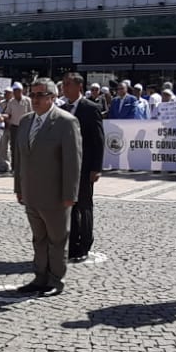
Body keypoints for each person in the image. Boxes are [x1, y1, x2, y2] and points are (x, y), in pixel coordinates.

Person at [12, 78, 81, 296]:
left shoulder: (65, 122)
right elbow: (19, 158)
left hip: (55, 195)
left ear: (52, 97)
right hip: (31, 193)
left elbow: (73, 161)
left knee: (57, 239)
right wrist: (18, 187)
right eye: (32, 95)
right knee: (38, 238)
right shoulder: (25, 121)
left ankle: (55, 280)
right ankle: (39, 276)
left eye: (40, 95)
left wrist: (70, 194)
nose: (34, 99)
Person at [63, 73, 104, 264]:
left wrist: (96, 167)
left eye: (68, 84)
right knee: (68, 205)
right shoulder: (62, 109)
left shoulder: (90, 108)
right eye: (63, 84)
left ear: (79, 86)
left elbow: (98, 140)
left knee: (84, 206)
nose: (64, 88)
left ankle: (85, 244)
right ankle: (71, 245)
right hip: (65, 166)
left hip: (85, 166)